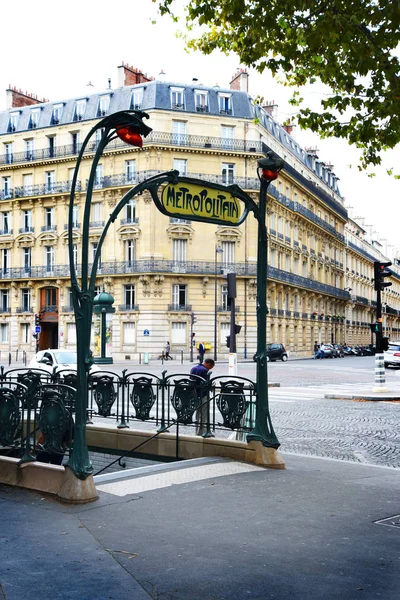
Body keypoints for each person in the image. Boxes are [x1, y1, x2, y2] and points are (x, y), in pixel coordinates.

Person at [190, 358, 215, 435]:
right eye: (210, 367)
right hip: (203, 394)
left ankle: (197, 432)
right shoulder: (204, 370)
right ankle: (205, 432)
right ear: (209, 364)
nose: (209, 369)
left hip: (194, 395)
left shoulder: (193, 368)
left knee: (198, 415)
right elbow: (206, 384)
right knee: (204, 415)